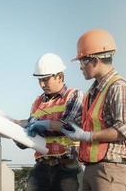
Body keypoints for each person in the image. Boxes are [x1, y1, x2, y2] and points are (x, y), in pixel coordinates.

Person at [60, 29, 126, 191]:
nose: (80, 67)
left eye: (82, 61)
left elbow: (124, 129)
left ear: (95, 61)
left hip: (109, 170)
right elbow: (89, 124)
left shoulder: (119, 87)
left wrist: (86, 136)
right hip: (91, 168)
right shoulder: (93, 92)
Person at [14, 53, 83, 191]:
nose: (42, 84)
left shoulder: (73, 95)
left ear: (60, 76)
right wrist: (15, 133)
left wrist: (42, 125)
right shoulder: (37, 102)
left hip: (66, 167)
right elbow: (30, 138)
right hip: (41, 167)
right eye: (39, 80)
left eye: (45, 79)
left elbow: (68, 126)